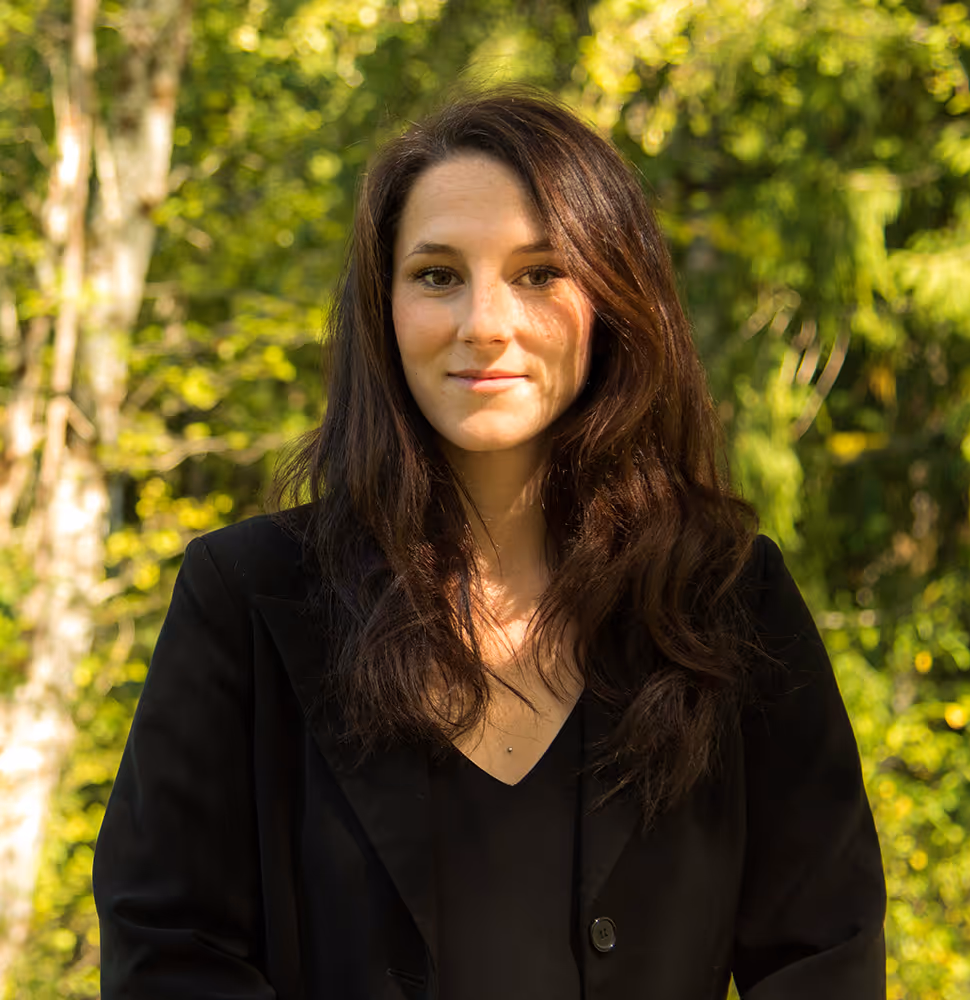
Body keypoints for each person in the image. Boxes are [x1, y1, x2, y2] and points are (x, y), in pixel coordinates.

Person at [93, 88, 887, 999]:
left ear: (615, 299)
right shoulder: (247, 596)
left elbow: (826, 953)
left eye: (540, 272)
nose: (484, 324)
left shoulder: (730, 601)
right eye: (437, 275)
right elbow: (167, 947)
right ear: (382, 309)